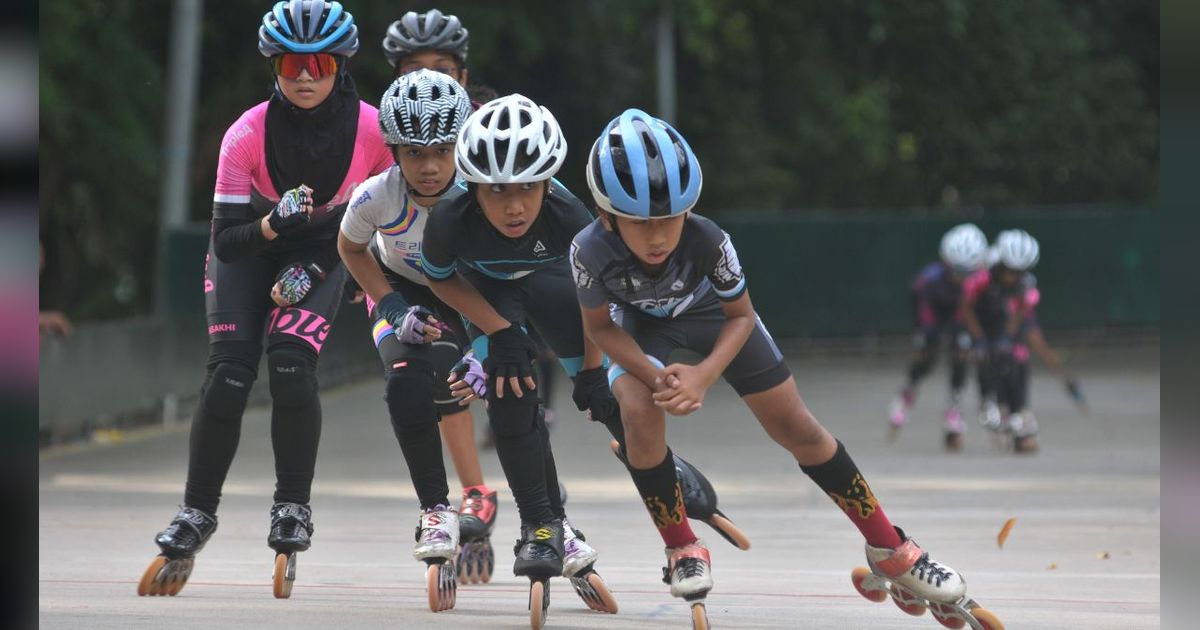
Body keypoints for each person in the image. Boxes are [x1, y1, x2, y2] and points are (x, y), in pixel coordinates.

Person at [571, 109, 1000, 630]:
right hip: (636, 326)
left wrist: (703, 376)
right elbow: (600, 329)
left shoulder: (708, 239)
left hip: (713, 319)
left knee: (798, 427)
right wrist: (655, 374)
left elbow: (741, 316)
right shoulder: (588, 250)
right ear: (607, 216)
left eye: (670, 218)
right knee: (637, 409)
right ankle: (681, 544)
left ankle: (889, 546)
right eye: (640, 222)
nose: (658, 236)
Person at [138, 1, 394, 598]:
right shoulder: (245, 133)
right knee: (229, 373)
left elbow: (380, 222)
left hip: (328, 250)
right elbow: (227, 245)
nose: (305, 76)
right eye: (291, 65)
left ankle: (292, 505)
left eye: (320, 63)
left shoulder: (375, 131)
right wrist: (275, 227)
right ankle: (197, 510)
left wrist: (318, 266)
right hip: (250, 247)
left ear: (342, 65)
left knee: (290, 366)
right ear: (273, 67)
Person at [337, 69, 479, 607]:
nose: (429, 166)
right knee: (404, 383)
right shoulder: (376, 195)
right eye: (414, 152)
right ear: (393, 150)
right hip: (400, 288)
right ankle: (436, 511)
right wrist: (391, 305)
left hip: (466, 291)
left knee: (501, 388)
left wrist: (492, 344)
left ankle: (549, 520)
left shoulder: (479, 190)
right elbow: (350, 248)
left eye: (442, 150)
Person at [378, 9, 506, 569]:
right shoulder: (387, 126)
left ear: (464, 74)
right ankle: (473, 494)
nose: (430, 78)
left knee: (509, 382)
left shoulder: (487, 122)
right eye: (414, 68)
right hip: (410, 272)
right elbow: (353, 215)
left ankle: (544, 508)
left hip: (481, 271)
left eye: (443, 69)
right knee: (437, 374)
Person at [963, 229, 1075, 453]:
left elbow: (1021, 314)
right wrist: (979, 339)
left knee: (1016, 356)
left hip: (1005, 321)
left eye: (1018, 272)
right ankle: (992, 404)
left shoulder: (1026, 285)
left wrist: (1007, 337)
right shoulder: (981, 278)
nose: (1012, 276)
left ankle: (1019, 412)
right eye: (1008, 270)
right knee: (987, 360)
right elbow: (966, 308)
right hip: (981, 322)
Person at [887, 223, 990, 450]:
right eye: (956, 271)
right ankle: (909, 390)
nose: (961, 278)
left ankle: (954, 408)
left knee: (962, 349)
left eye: (967, 273)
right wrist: (924, 336)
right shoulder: (928, 280)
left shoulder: (983, 280)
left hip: (960, 314)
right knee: (926, 350)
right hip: (933, 311)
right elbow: (922, 313)